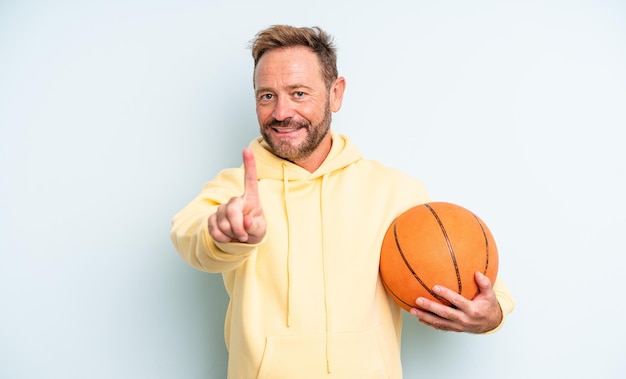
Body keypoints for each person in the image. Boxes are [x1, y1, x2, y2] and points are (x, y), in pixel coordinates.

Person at [170, 24, 514, 379]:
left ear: (336, 94)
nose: (281, 112)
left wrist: (493, 312)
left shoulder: (394, 191)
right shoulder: (237, 190)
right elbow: (190, 235)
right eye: (266, 96)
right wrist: (225, 234)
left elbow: (470, 271)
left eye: (299, 93)